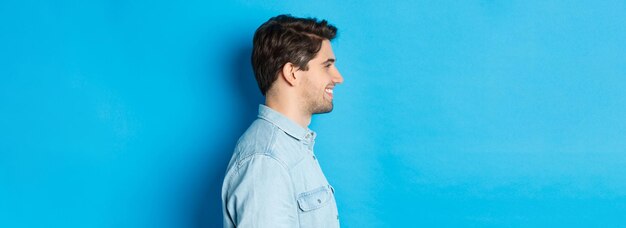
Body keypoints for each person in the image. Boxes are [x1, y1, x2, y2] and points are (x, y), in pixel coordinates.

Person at [221, 14, 344, 228]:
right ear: (292, 73)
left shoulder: (292, 148)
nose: (338, 77)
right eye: (327, 66)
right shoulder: (267, 161)